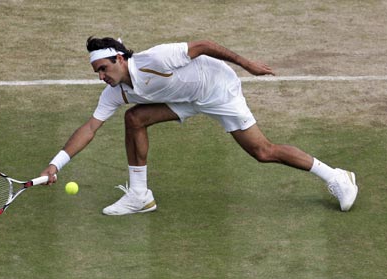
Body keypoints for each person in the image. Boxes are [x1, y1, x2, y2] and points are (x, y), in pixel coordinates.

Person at [40, 36, 358, 215]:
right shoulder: (116, 91)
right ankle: (140, 195)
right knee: (134, 117)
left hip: (216, 88)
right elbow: (90, 127)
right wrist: (56, 164)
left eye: (103, 68)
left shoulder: (156, 59)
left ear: (120, 59)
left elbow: (204, 45)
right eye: (96, 71)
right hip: (186, 98)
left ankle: (337, 177)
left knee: (263, 152)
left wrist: (248, 65)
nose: (100, 76)